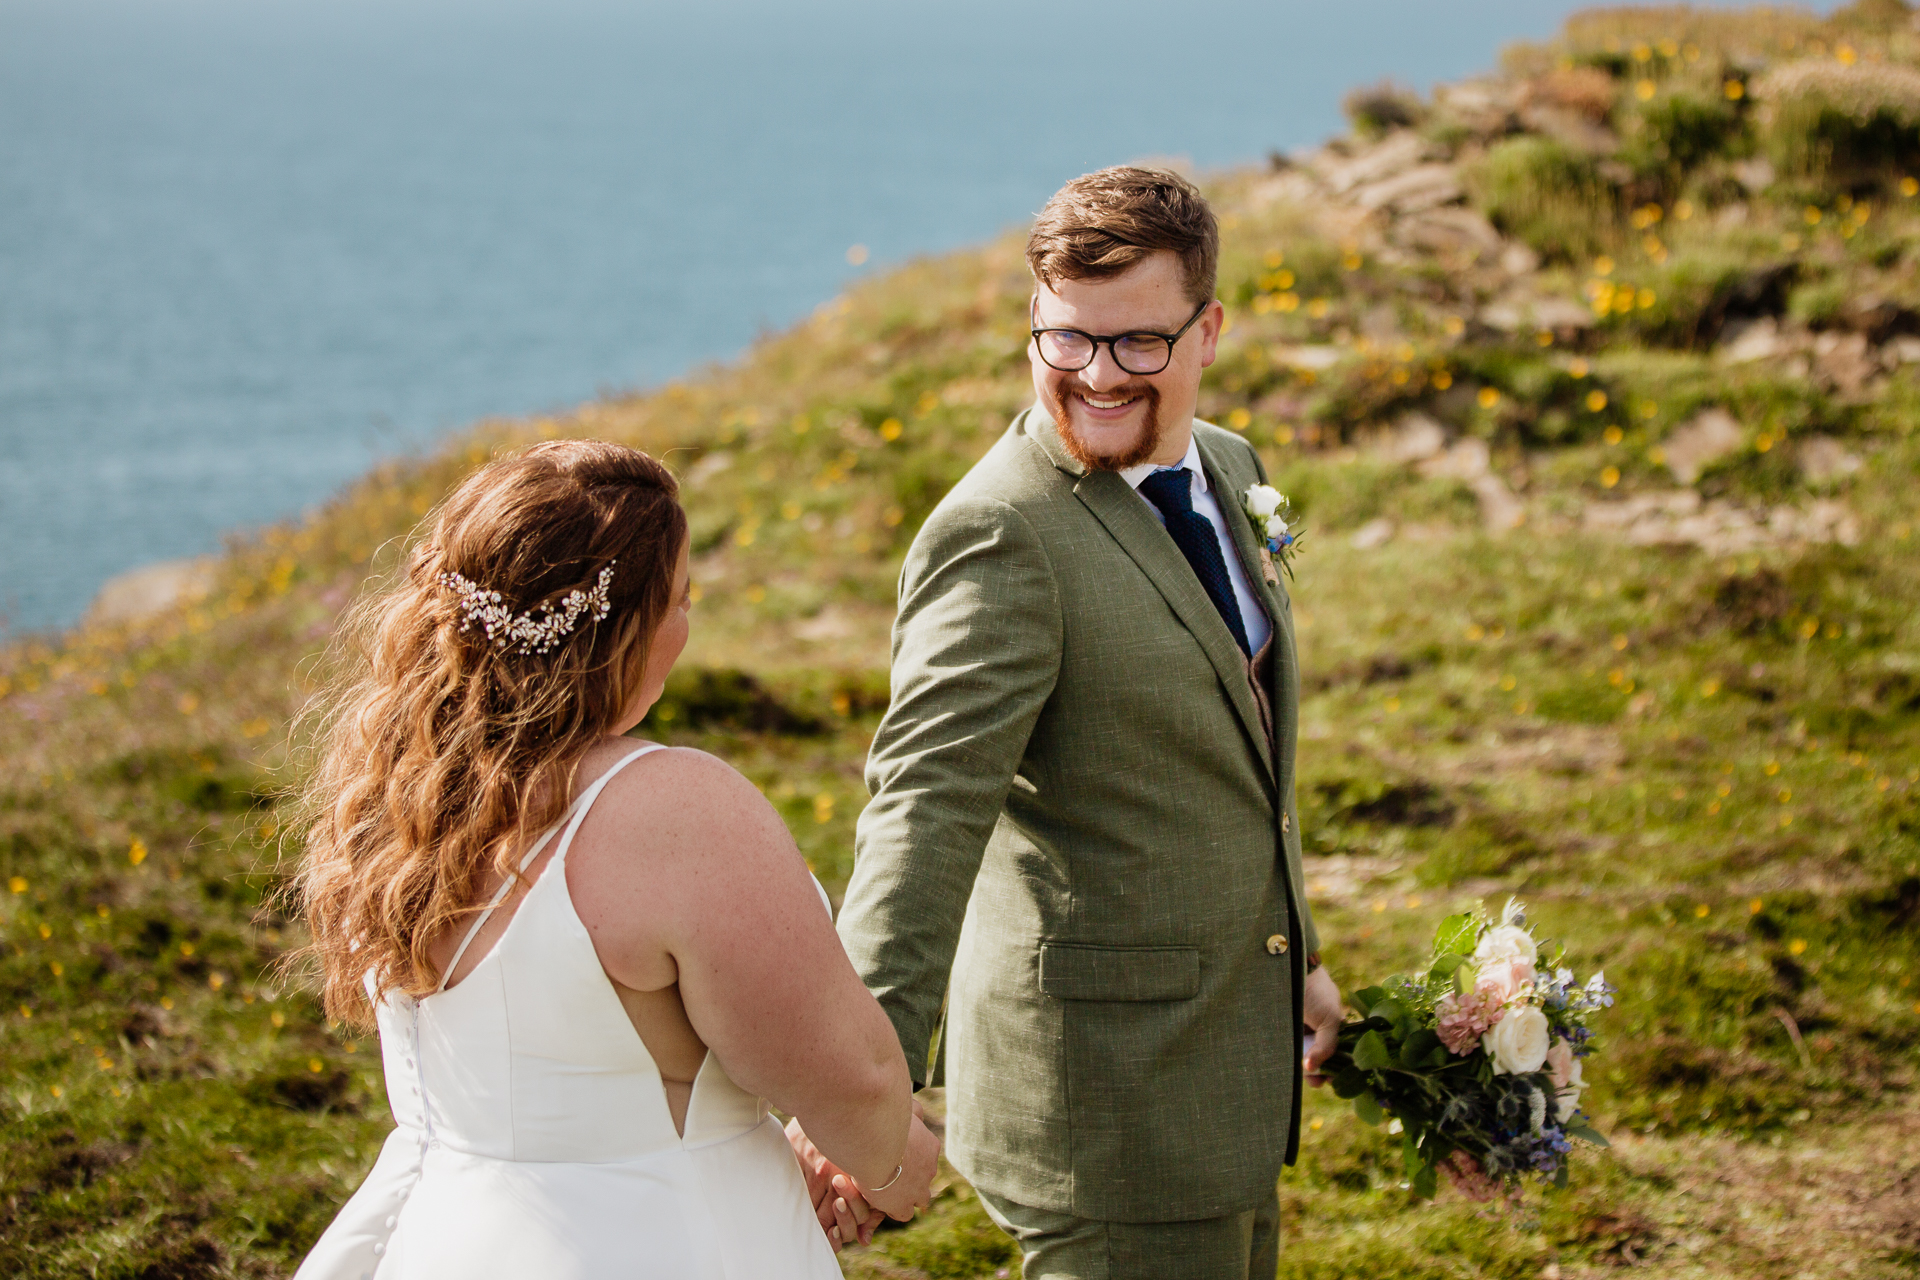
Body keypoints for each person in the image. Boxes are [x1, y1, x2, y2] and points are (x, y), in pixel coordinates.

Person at [823, 167, 1344, 1279]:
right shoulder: (1002, 533)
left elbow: (1231, 756)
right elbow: (923, 812)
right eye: (1065, 340)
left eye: (1138, 344)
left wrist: (1292, 959)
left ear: (1209, 332)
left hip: (1220, 1070)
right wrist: (864, 1085)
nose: (1099, 377)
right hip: (1107, 1107)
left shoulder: (1232, 467)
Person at [289, 439, 938, 1280]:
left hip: (437, 1237)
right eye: (680, 597)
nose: (687, 623)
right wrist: (891, 1167)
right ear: (624, 628)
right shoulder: (668, 809)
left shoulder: (397, 804)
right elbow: (850, 1077)